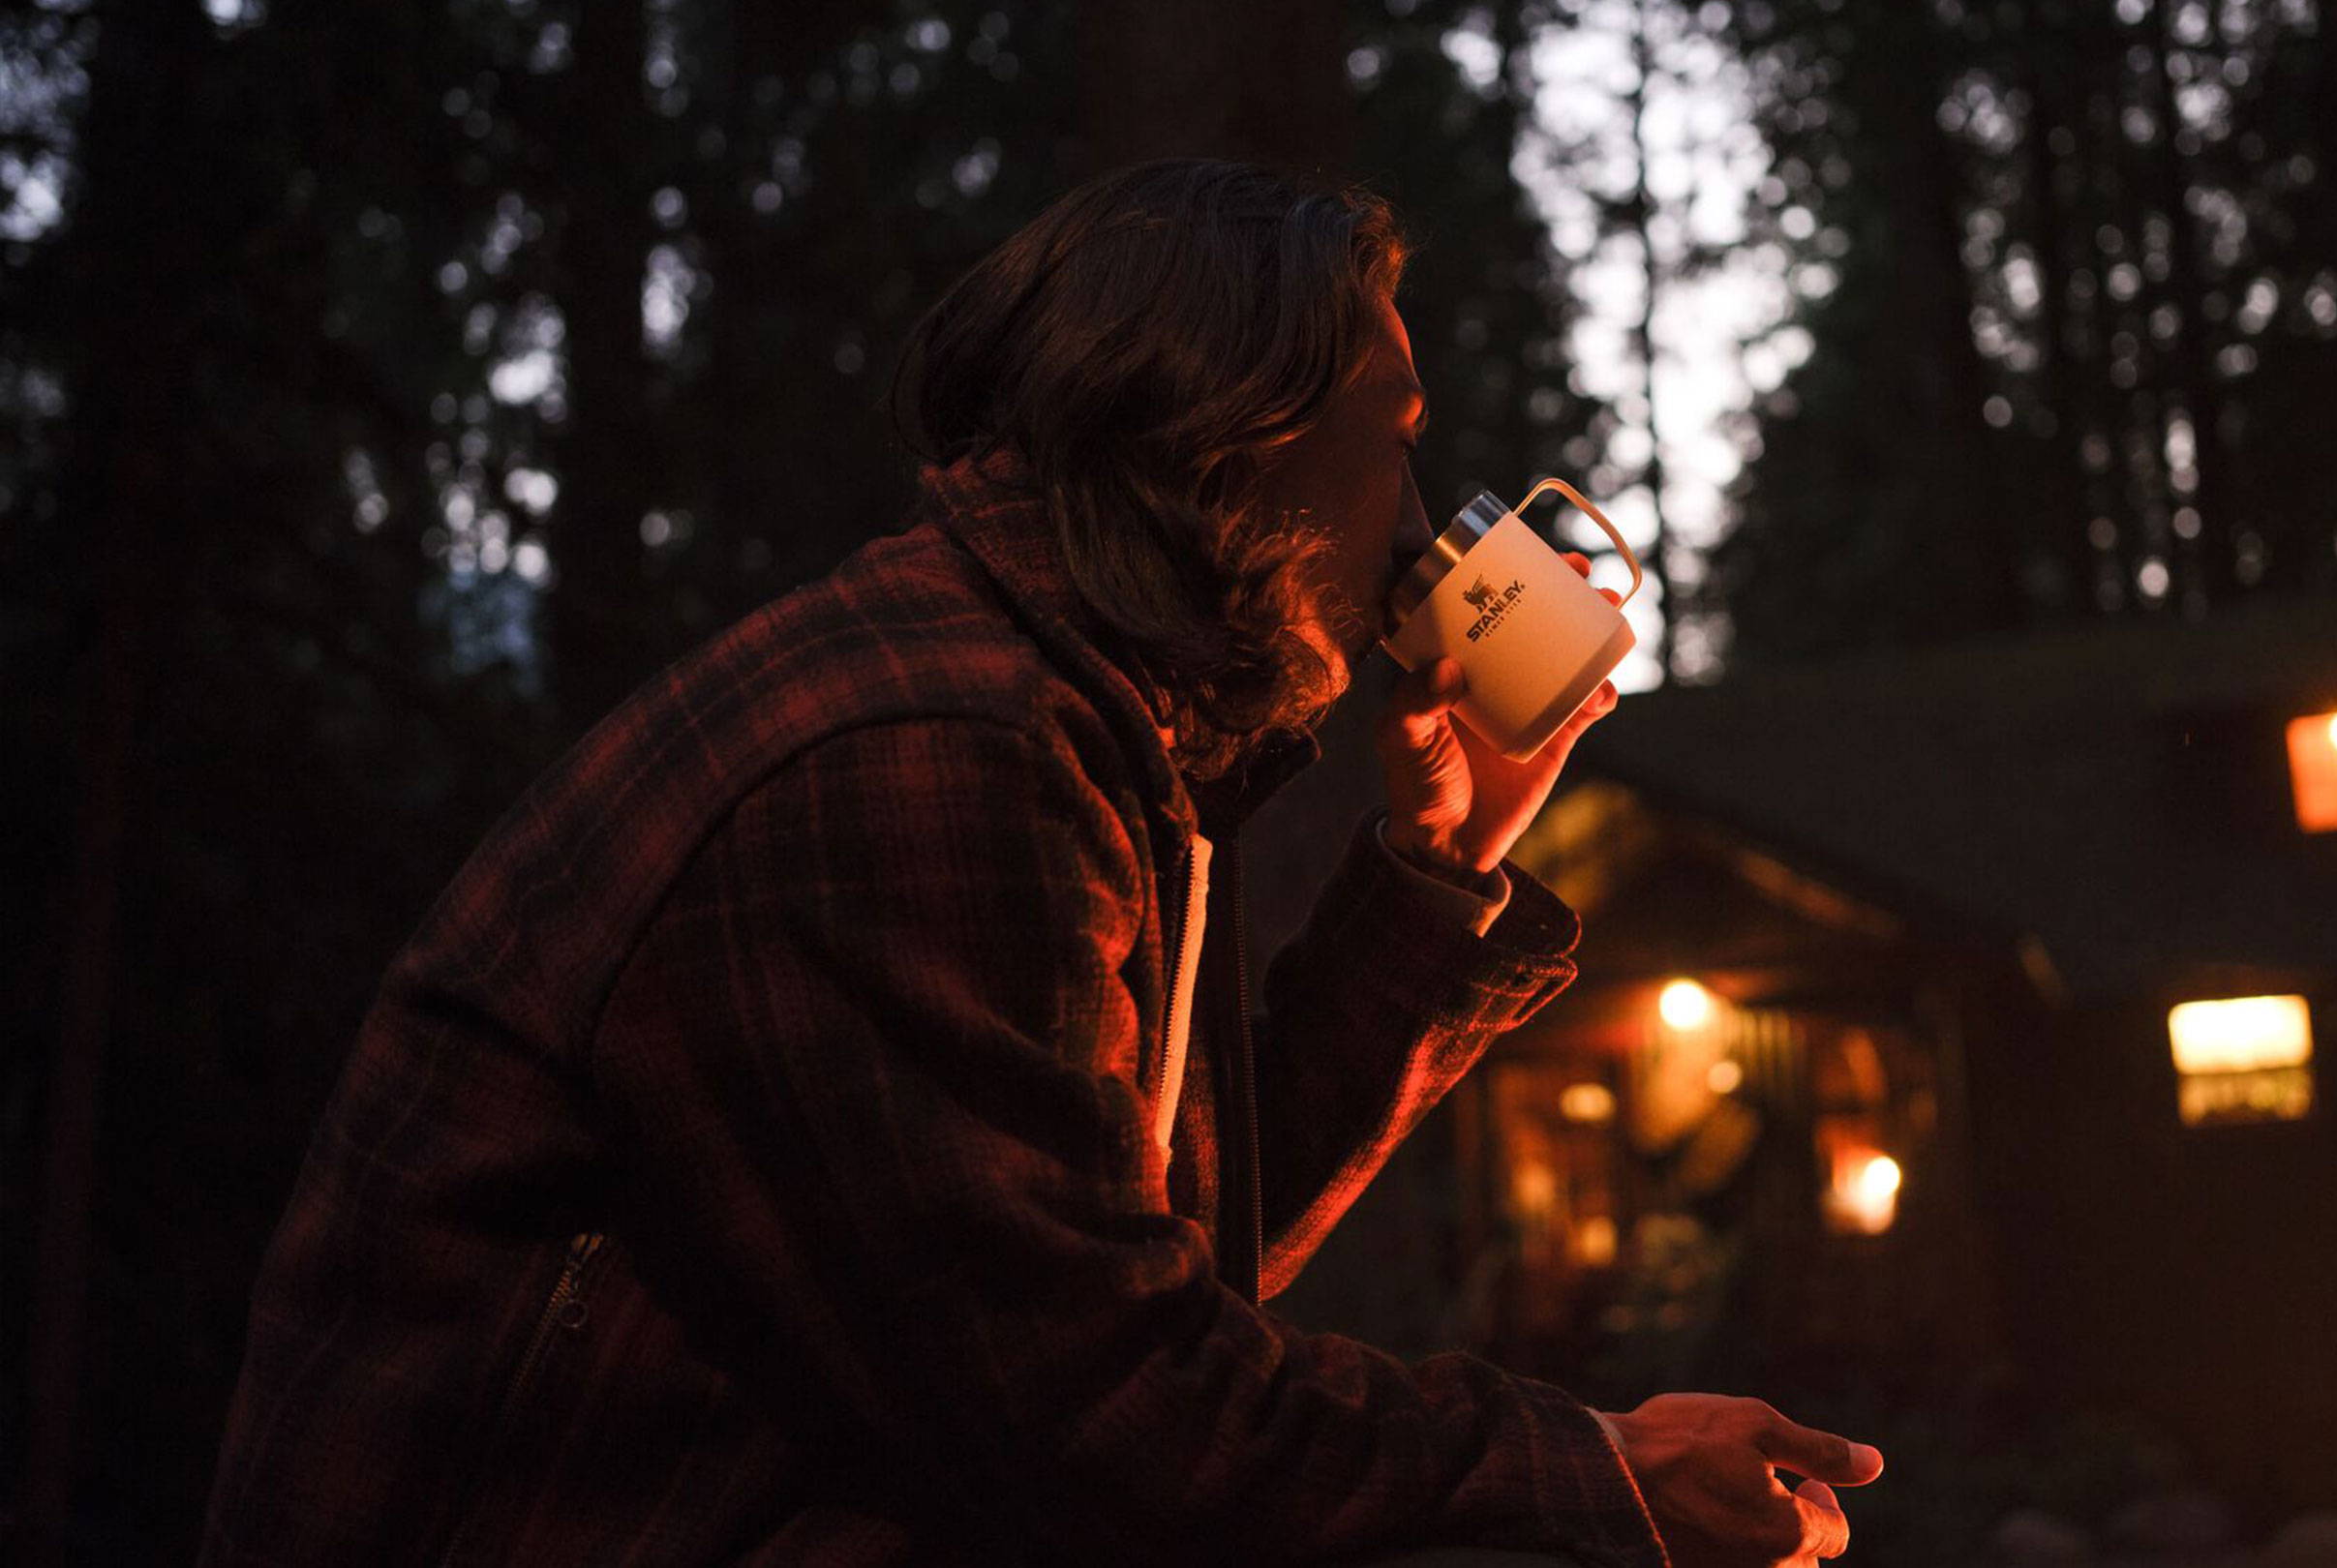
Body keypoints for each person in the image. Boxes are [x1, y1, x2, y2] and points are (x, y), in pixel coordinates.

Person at [200, 159, 1880, 1567]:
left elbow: (1148, 1272)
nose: (1423, 507)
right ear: (1236, 435)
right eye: (1392, 430)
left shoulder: (1067, 733)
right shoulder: (924, 749)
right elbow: (1101, 1404)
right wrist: (1599, 1467)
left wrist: (1440, 870)